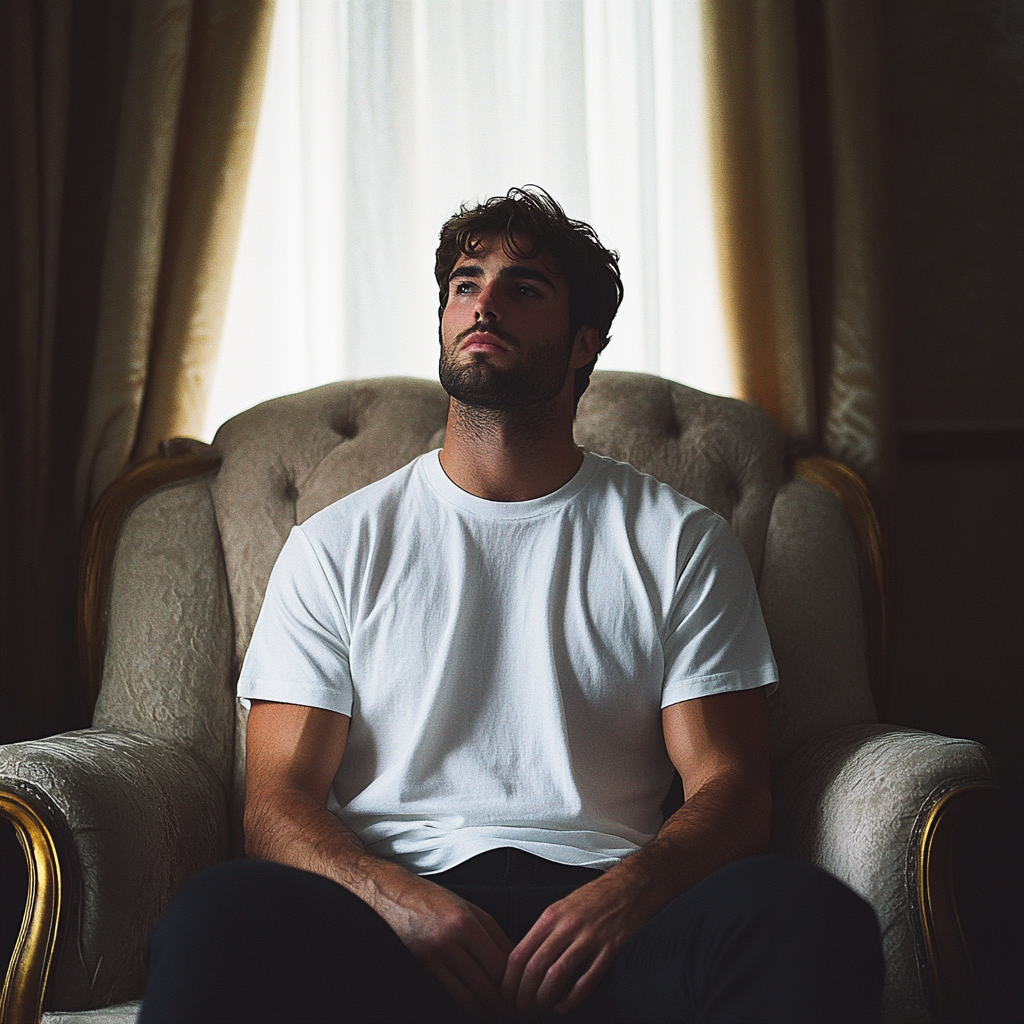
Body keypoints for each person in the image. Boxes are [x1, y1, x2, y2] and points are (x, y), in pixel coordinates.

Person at [140, 187, 883, 1024]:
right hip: (394, 923)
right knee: (216, 916)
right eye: (465, 282)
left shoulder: (678, 541)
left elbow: (732, 789)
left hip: (605, 923)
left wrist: (628, 896)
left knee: (809, 919)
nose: (483, 301)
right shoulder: (333, 546)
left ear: (581, 345)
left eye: (523, 286)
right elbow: (276, 805)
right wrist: (394, 899)